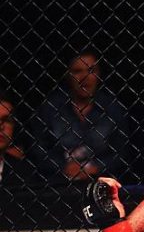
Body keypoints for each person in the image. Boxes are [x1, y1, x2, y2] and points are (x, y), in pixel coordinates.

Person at [30, 51, 129, 182]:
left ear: (99, 74)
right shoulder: (50, 108)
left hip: (101, 182)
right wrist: (63, 166)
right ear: (68, 75)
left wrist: (96, 167)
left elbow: (122, 153)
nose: (85, 77)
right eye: (77, 71)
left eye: (91, 70)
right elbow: (38, 149)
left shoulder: (113, 108)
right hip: (58, 183)